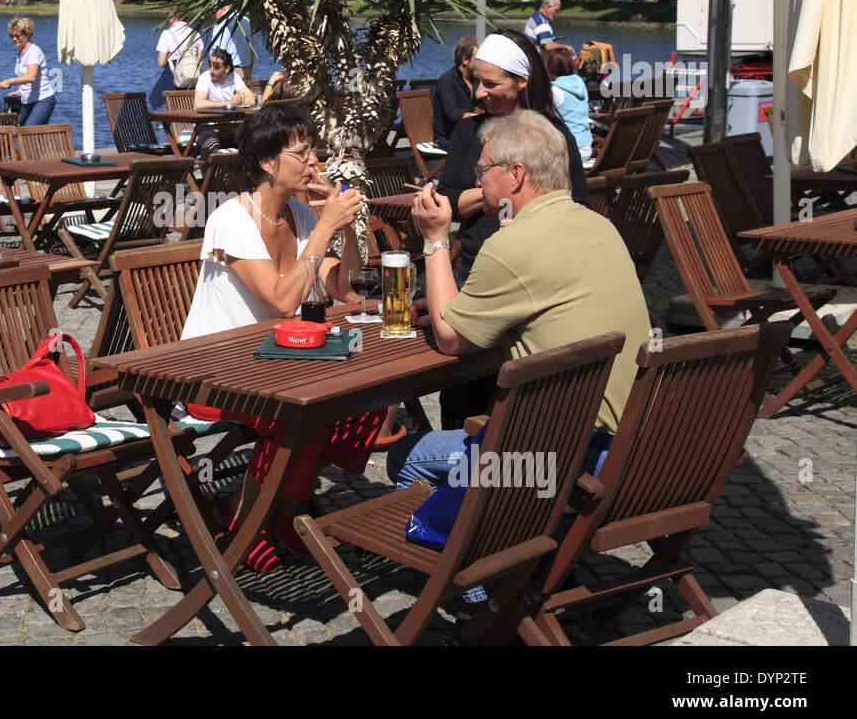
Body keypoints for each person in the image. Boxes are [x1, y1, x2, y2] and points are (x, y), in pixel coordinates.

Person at [387, 110, 651, 489]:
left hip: (574, 457)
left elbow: (448, 338)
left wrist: (434, 237)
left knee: (406, 456)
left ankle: (474, 545)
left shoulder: (511, 246)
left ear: (515, 174)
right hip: (639, 444)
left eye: (482, 171)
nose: (477, 180)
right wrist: (462, 305)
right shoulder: (601, 226)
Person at [180, 103, 383, 572]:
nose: (314, 162)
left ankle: (284, 506)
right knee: (300, 412)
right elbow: (278, 299)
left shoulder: (298, 215)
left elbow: (346, 288)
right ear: (269, 163)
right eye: (303, 152)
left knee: (359, 394)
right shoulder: (230, 220)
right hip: (212, 371)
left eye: (313, 150)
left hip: (274, 362)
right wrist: (326, 226)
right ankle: (247, 513)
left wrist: (345, 227)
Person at [431, 30, 591, 430]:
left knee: (521, 387)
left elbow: (578, 209)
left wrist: (490, 195)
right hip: (476, 270)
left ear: (522, 81)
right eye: (475, 81)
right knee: (464, 386)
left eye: (490, 83)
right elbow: (447, 199)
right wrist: (490, 194)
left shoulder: (552, 137)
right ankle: (462, 470)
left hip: (536, 277)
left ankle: (512, 467)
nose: (478, 93)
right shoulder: (470, 131)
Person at [192, 48, 255, 159]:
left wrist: (239, 100)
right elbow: (199, 103)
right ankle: (210, 176)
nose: (211, 70)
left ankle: (242, 175)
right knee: (211, 145)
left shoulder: (233, 77)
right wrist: (228, 103)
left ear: (227, 69)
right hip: (206, 128)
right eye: (210, 65)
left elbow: (251, 99)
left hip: (229, 127)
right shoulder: (205, 78)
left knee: (252, 140)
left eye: (216, 67)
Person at [0, 17, 55, 126]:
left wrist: (9, 81)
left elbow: (31, 77)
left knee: (28, 133)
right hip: (27, 100)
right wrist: (20, 91)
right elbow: (26, 79)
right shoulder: (21, 52)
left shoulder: (34, 52)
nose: (14, 39)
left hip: (43, 99)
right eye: (11, 36)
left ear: (28, 34)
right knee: (14, 129)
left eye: (17, 36)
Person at [545, 49, 594, 165]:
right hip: (586, 147)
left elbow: (541, 114)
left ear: (551, 68)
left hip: (569, 151)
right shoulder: (579, 84)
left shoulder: (556, 91)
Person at [430, 36, 479, 148]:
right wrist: (477, 117)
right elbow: (452, 113)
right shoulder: (447, 81)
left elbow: (482, 105)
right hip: (447, 137)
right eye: (477, 58)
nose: (480, 62)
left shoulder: (474, 80)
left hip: (467, 132)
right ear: (465, 60)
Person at [150, 16, 203, 110]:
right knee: (188, 107)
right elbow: (200, 63)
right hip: (192, 78)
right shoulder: (195, 33)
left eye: (169, 17)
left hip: (174, 75)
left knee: (156, 99)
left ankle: (172, 123)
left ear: (175, 18)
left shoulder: (167, 33)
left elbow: (161, 62)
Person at [209, 6, 255, 83]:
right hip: (245, 71)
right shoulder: (247, 21)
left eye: (213, 12)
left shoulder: (222, 23)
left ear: (219, 8)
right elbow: (252, 51)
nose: (213, 16)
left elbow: (216, 54)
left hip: (227, 73)